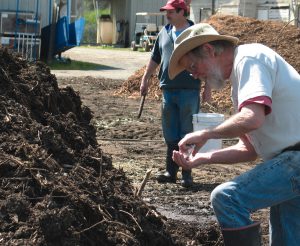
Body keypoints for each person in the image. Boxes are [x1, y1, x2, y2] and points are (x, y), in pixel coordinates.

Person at [168, 23, 300, 245]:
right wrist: (201, 159)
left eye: (192, 66)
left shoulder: (250, 58)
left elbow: (252, 118)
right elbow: (248, 150)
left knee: (227, 198)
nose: (194, 75)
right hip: (289, 162)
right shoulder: (240, 81)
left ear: (209, 50)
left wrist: (206, 134)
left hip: (294, 161)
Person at [140, 0, 210, 188]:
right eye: (166, 12)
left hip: (189, 90)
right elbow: (155, 58)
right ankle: (170, 171)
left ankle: (187, 173)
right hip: (168, 90)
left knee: (186, 133)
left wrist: (208, 87)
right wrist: (145, 78)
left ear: (181, 12)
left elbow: (207, 61)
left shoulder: (196, 33)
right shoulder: (164, 32)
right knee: (170, 132)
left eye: (170, 12)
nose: (167, 15)